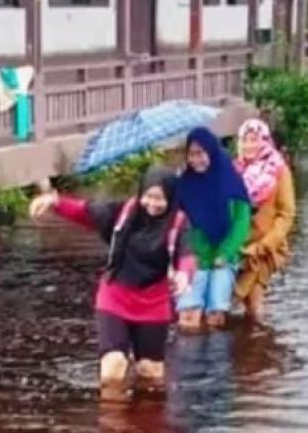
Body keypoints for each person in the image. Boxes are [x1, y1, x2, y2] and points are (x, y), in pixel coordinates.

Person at [30, 167, 194, 401]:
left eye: (160, 198)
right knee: (114, 367)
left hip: (153, 303)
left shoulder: (179, 224)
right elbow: (85, 211)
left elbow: (188, 255)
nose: (152, 204)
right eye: (148, 196)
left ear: (171, 197)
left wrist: (183, 275)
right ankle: (112, 422)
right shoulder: (123, 213)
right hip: (115, 297)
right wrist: (54, 202)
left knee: (150, 374)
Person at [174, 127, 252, 331]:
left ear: (212, 151)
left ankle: (214, 362)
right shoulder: (183, 185)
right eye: (190, 154)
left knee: (215, 316)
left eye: (200, 153)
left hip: (222, 258)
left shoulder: (231, 182)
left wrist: (225, 253)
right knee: (188, 317)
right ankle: (190, 362)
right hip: (193, 258)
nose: (194, 160)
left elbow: (241, 222)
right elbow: (176, 225)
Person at [234, 119, 296, 320]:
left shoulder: (278, 170)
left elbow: (286, 214)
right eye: (245, 140)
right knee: (242, 301)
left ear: (264, 141)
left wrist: (265, 244)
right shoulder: (236, 170)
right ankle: (249, 345)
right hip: (241, 245)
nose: (249, 145)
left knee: (255, 300)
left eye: (254, 140)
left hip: (265, 247)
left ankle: (259, 347)